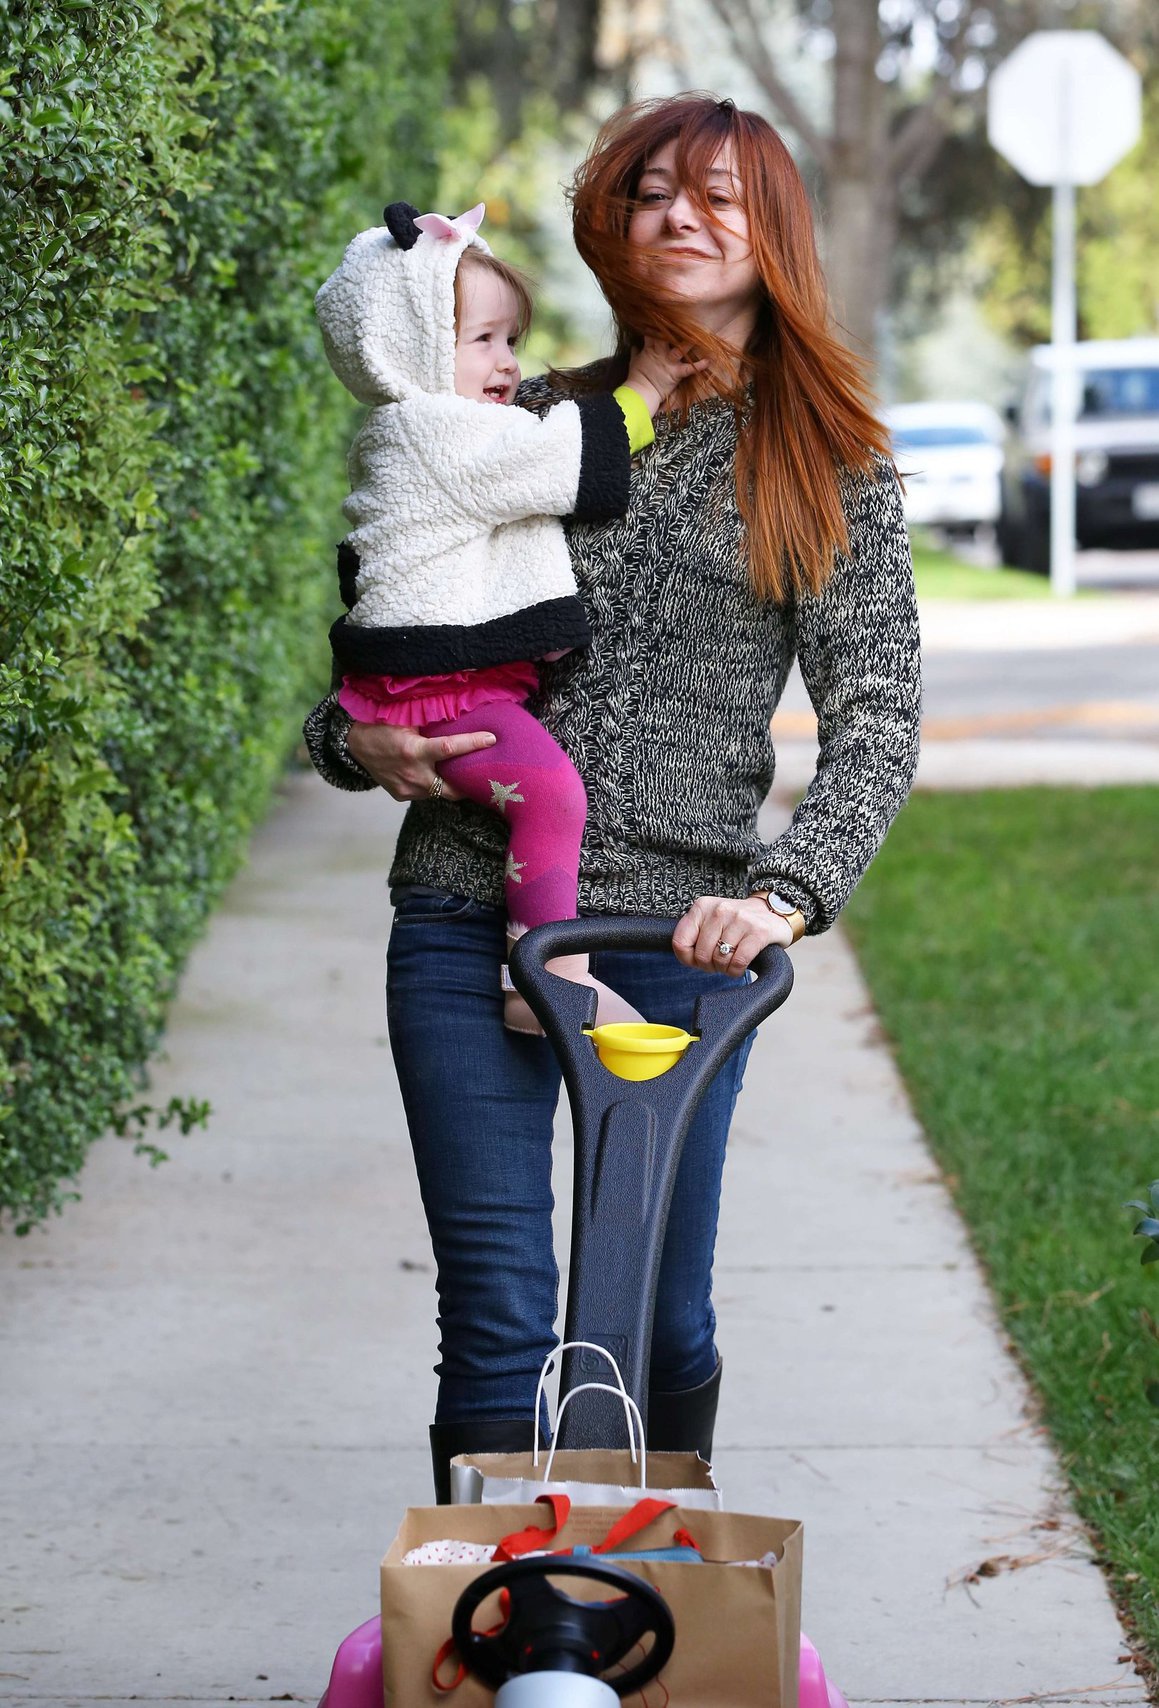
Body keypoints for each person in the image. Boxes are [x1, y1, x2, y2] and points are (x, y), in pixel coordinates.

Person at [303, 93, 922, 1501]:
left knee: (652, 1320)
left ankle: (652, 1579)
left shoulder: (825, 462)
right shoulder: (517, 416)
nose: (679, 216)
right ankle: (506, 1602)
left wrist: (782, 896)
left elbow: (877, 718)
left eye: (718, 194)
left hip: (676, 945)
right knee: (500, 1320)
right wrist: (354, 744)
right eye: (651, 192)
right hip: (466, 914)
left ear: (773, 231)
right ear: (612, 225)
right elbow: (379, 639)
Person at [313, 199, 699, 1033]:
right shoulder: (443, 433)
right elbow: (564, 456)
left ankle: (542, 974)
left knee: (544, 795)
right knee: (551, 795)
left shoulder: (411, 429)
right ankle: (543, 981)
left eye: (512, 339)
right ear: (409, 346)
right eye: (481, 339)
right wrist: (647, 386)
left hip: (425, 685)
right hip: (443, 691)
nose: (506, 363)